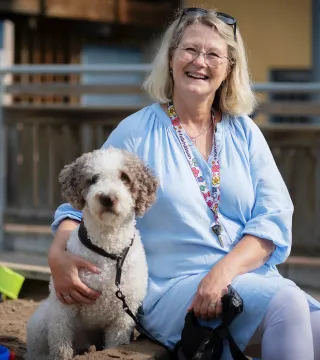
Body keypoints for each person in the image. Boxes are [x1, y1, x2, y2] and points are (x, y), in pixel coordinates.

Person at [49, 7, 320, 360]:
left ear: (229, 69)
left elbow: (273, 218)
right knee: (287, 304)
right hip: (172, 289)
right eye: (190, 49)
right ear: (172, 57)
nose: (199, 61)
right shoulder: (136, 132)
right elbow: (81, 201)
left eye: (213, 54)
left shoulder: (245, 132)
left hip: (246, 278)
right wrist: (57, 255)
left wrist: (222, 274)